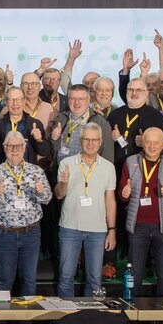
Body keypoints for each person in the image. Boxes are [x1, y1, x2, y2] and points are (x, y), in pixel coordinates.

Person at [51, 126, 114, 297]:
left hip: (98, 230)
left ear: (100, 142)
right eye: (87, 139)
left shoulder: (108, 167)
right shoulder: (66, 163)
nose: (90, 143)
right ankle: (66, 318)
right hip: (70, 228)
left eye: (94, 140)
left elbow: (110, 200)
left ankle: (91, 319)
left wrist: (112, 230)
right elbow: (58, 195)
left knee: (94, 278)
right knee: (66, 276)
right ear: (80, 141)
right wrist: (63, 182)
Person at [119, 127, 163, 297]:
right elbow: (122, 194)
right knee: (135, 274)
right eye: (148, 142)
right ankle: (132, 316)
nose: (152, 146)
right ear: (142, 143)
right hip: (137, 226)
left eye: (156, 143)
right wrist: (124, 194)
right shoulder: (131, 161)